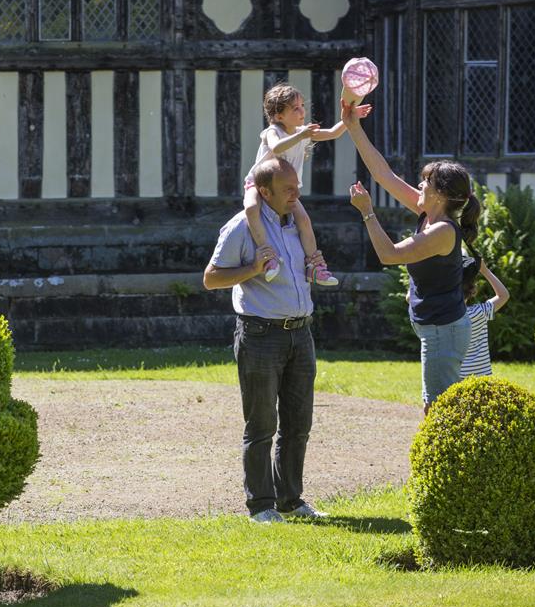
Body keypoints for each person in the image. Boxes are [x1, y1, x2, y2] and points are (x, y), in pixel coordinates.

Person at [204, 156, 328, 524]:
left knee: (298, 424)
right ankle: (260, 506)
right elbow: (211, 278)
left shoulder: (298, 225)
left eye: (297, 187)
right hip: (260, 335)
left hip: (301, 332)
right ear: (264, 192)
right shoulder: (242, 226)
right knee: (261, 426)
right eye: (288, 189)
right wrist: (252, 269)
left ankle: (291, 500)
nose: (297, 194)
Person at [341, 100, 482, 413]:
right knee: (436, 405)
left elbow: (389, 255)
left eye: (426, 181)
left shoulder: (442, 231)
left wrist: (367, 213)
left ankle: (449, 462)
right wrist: (353, 127)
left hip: (443, 331)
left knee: (438, 410)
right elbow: (383, 174)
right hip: (436, 328)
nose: (419, 184)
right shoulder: (427, 212)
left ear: (441, 194)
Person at [243, 84, 372, 286]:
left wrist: (350, 117)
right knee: (251, 208)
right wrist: (301, 136)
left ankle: (314, 267)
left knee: (304, 221)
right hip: (259, 185)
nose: (302, 111)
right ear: (278, 116)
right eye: (295, 108)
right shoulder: (273, 131)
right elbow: (277, 146)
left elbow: (333, 133)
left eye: (302, 105)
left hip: (286, 192)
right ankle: (269, 258)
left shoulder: (302, 132)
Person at [459, 255, 511, 378]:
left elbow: (410, 299)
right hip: (482, 380)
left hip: (455, 380)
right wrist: (485, 270)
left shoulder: (445, 316)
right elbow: (504, 295)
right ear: (472, 290)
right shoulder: (479, 313)